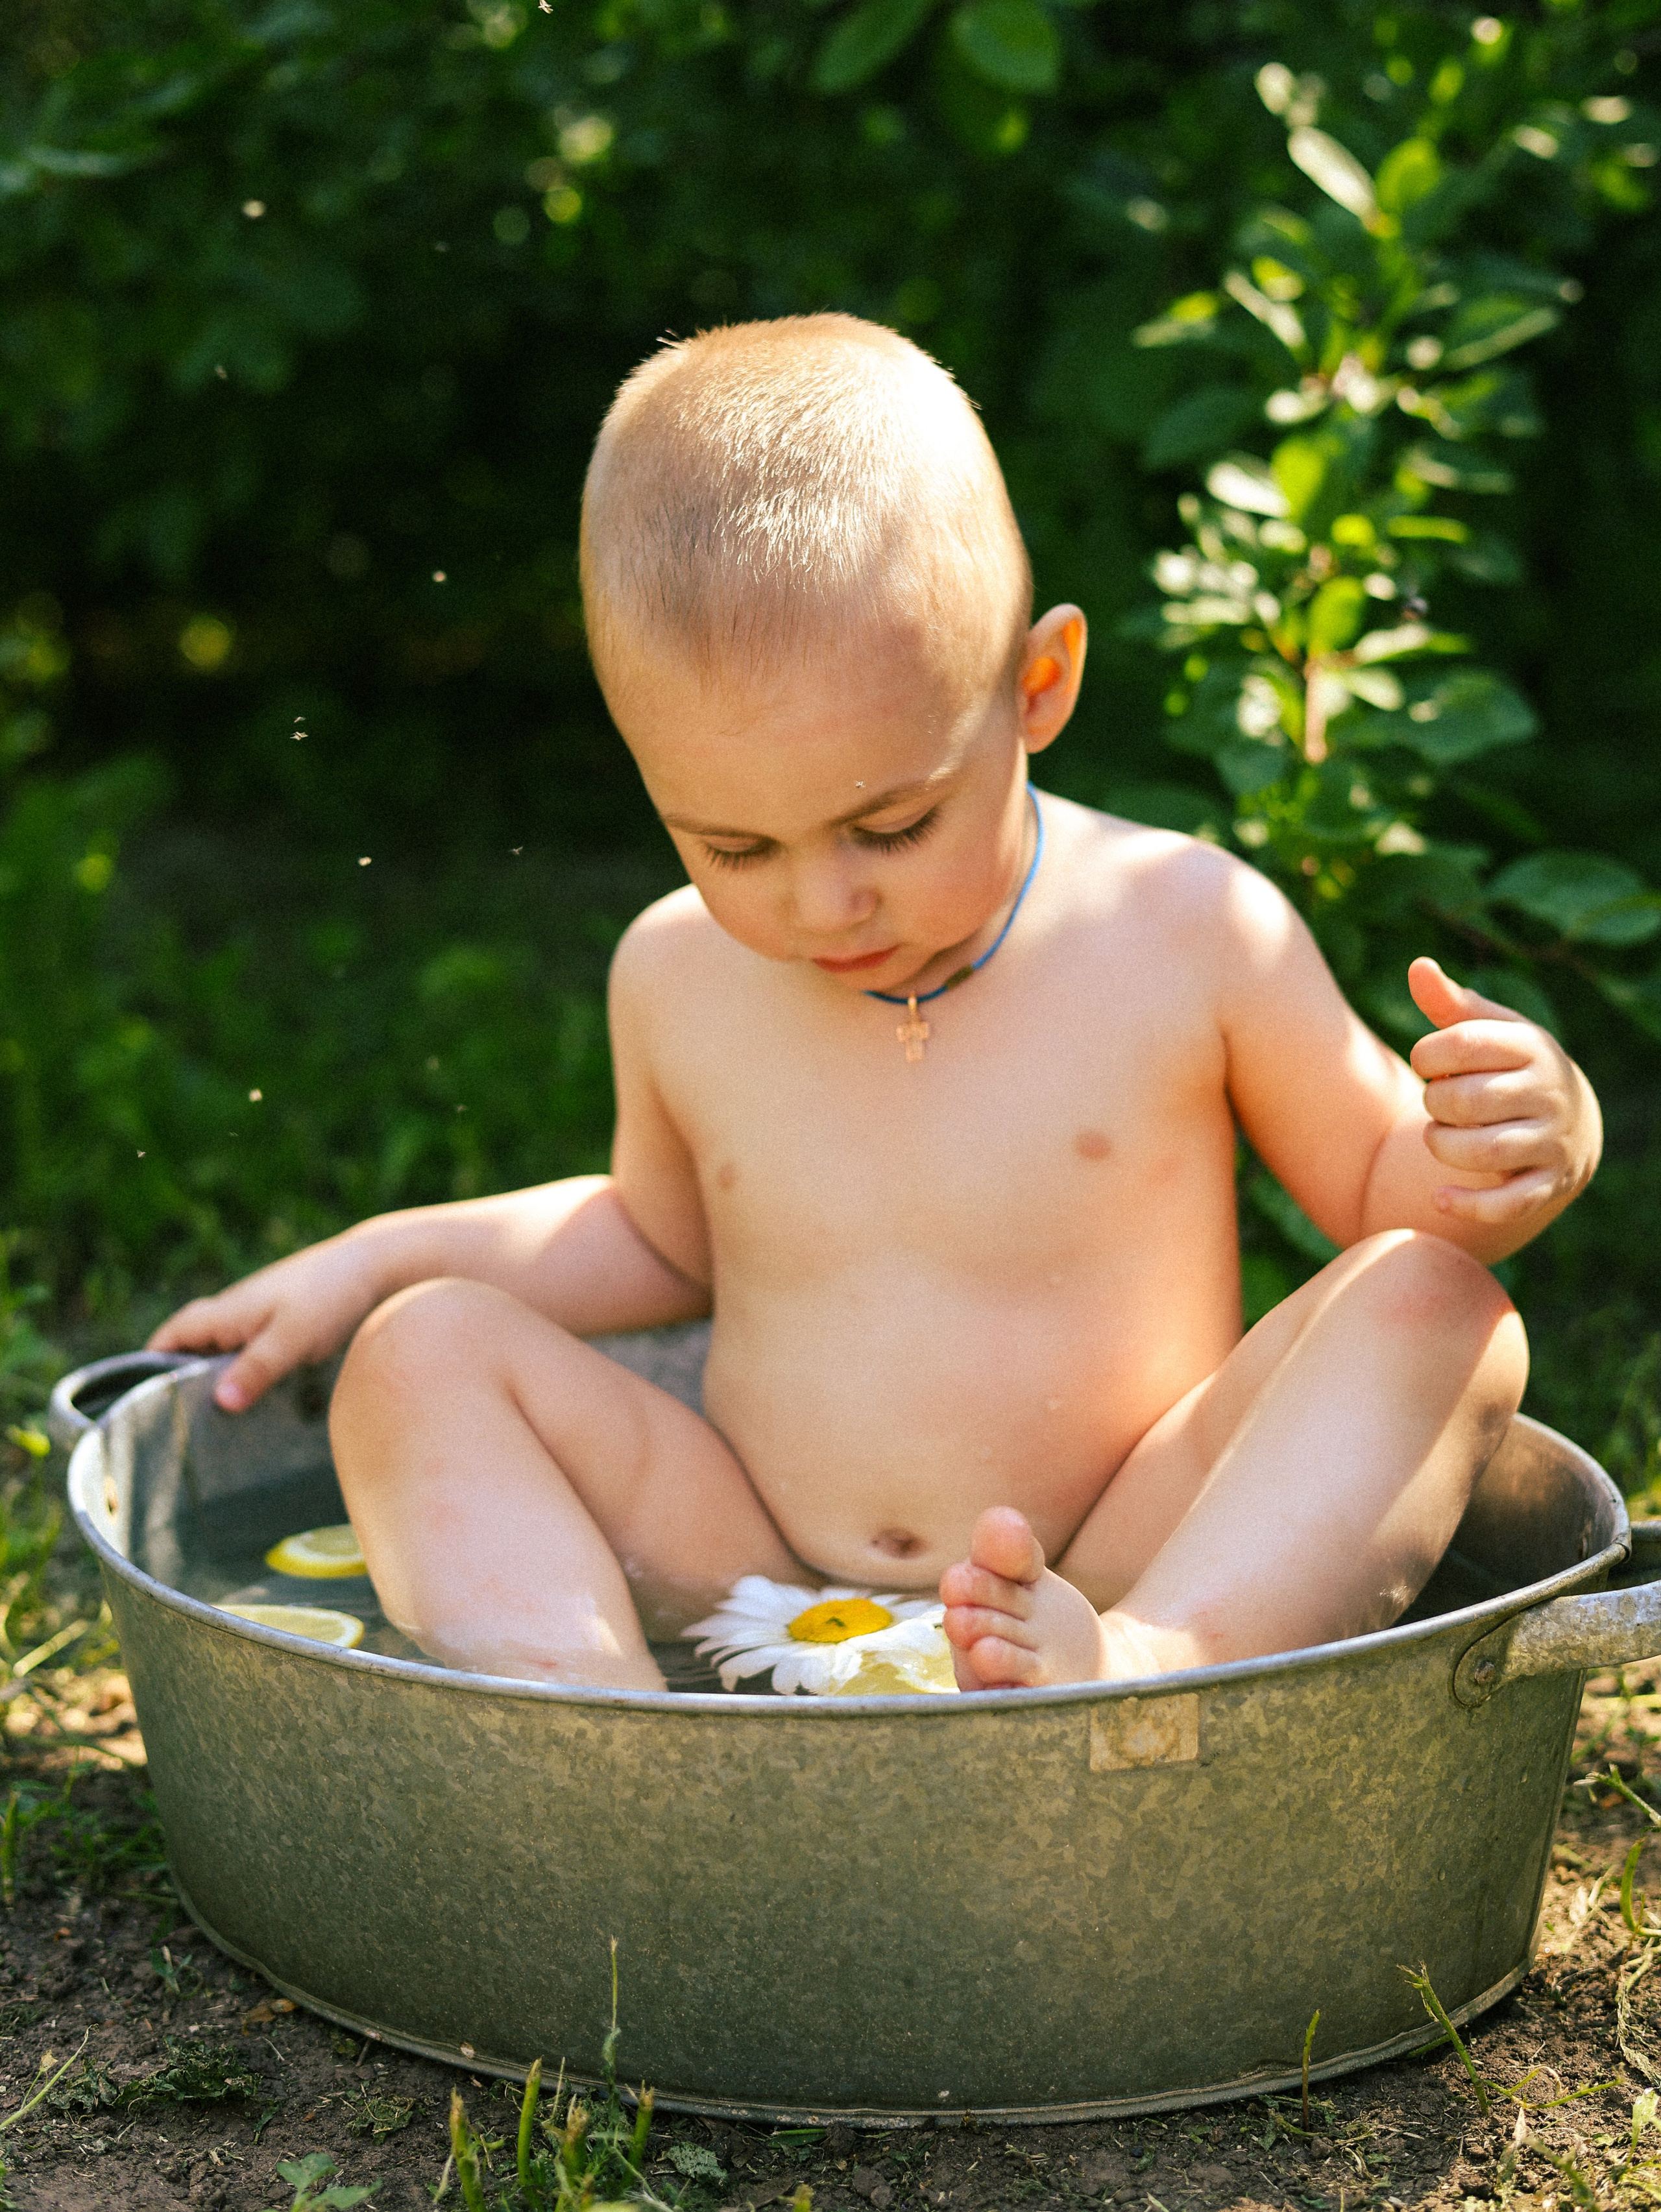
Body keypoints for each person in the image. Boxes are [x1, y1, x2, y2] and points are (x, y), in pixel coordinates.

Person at [151, 313, 1601, 1694]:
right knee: (422, 1351)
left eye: (889, 828)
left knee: (1439, 1306)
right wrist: (374, 1261)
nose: (819, 905)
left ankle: (1165, 1668)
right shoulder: (675, 968)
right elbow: (659, 1236)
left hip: (1110, 1549)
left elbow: (1376, 1189)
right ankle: (590, 1726)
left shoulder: (1182, 927)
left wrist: (1513, 1145)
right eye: (734, 846)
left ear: (1034, 687)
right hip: (753, 1564)